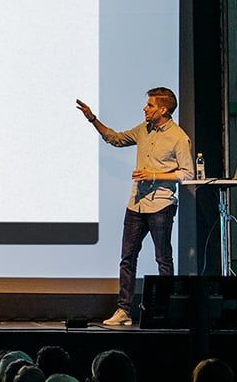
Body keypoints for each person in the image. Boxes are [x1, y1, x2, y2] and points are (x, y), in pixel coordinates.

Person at [77, 87, 194, 327]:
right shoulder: (144, 129)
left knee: (163, 259)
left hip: (161, 205)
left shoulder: (179, 137)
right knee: (127, 258)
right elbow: (116, 139)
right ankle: (123, 311)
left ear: (163, 109)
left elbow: (187, 173)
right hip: (136, 205)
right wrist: (92, 119)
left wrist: (153, 174)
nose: (145, 108)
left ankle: (164, 310)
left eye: (150, 105)